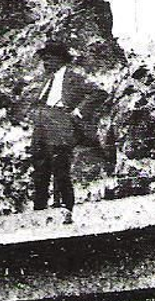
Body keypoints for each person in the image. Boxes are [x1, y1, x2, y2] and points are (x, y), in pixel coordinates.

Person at [26, 39, 106, 211]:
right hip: (41, 125)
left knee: (60, 168)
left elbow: (99, 92)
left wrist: (78, 111)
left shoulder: (73, 77)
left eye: (48, 58)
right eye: (44, 59)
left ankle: (67, 208)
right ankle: (38, 210)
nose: (45, 62)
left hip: (60, 124)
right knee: (40, 170)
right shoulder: (46, 80)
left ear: (59, 58)